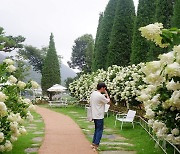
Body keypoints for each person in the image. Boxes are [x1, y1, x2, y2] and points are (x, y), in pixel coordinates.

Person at [90, 82, 110, 151]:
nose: (105, 89)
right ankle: (96, 145)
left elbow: (100, 98)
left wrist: (104, 94)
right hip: (99, 115)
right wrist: (107, 94)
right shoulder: (100, 96)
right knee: (100, 130)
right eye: (104, 88)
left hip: (94, 114)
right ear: (102, 88)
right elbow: (108, 102)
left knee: (96, 129)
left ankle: (93, 143)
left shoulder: (93, 93)